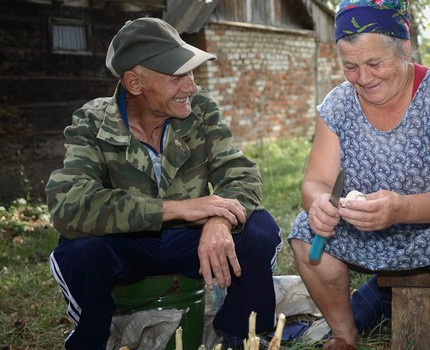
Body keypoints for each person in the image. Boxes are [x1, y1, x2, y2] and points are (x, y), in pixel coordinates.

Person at [46, 17, 282, 350]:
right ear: (135, 83)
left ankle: (243, 336)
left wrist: (218, 218)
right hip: (129, 246)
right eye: (177, 77)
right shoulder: (92, 122)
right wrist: (176, 209)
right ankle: (93, 338)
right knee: (78, 249)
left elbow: (240, 174)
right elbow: (69, 204)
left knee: (259, 229)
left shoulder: (200, 110)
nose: (191, 87)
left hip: (192, 242)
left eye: (191, 73)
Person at [288, 1, 430, 349]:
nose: (363, 78)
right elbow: (315, 181)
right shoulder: (337, 105)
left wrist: (400, 209)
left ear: (405, 48)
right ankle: (345, 336)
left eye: (375, 63)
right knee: (304, 229)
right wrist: (318, 203)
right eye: (350, 66)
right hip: (373, 227)